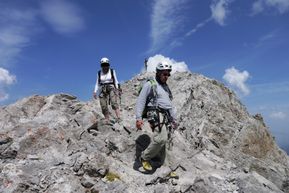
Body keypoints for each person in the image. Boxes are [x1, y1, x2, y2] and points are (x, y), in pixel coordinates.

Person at [135, 61, 177, 171]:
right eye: (164, 74)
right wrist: (138, 118)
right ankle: (144, 157)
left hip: (166, 116)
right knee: (161, 139)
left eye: (168, 74)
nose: (166, 76)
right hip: (155, 114)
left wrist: (174, 119)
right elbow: (141, 100)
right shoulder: (150, 84)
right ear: (158, 73)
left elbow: (169, 105)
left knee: (164, 144)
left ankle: (164, 168)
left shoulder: (166, 88)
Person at [93, 57, 121, 123]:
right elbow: (97, 83)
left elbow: (116, 81)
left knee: (114, 102)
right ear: (101, 66)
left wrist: (118, 89)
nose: (105, 66)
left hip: (111, 87)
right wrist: (95, 91)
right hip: (102, 89)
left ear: (108, 65)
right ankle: (107, 119)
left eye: (106, 65)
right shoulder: (99, 73)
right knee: (103, 105)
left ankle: (119, 117)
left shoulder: (112, 71)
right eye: (103, 65)